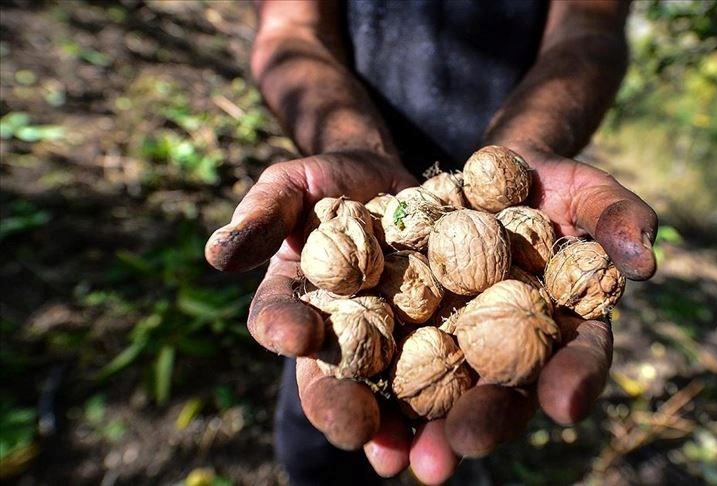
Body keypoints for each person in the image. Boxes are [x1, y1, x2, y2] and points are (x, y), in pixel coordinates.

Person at [205, 0, 658, 484]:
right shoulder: (365, 255)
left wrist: (528, 147)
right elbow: (291, 30)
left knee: (470, 435)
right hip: (369, 171)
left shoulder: (499, 249)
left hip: (506, 174)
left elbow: (589, 30)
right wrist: (353, 145)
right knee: (323, 438)